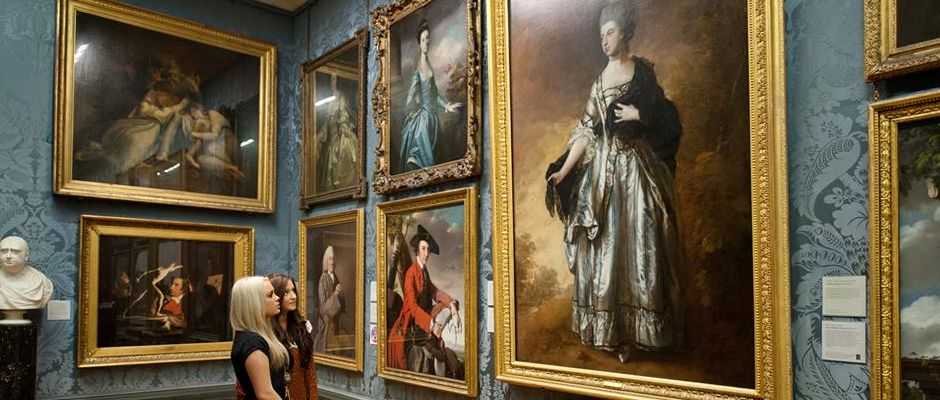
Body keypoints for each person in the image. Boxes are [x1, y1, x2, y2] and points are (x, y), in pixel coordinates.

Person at [545, 1, 683, 362]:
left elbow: (665, 115)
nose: (604, 40)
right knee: (605, 245)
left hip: (637, 169)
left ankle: (639, 335)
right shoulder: (598, 82)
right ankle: (614, 332)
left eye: (610, 33)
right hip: (603, 176)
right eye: (601, 34)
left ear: (624, 34)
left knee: (641, 240)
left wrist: (641, 113)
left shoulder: (642, 73)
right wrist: (564, 169)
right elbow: (587, 132)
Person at [387, 225, 462, 377]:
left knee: (452, 303)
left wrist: (452, 306)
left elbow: (434, 291)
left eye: (428, 249)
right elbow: (413, 307)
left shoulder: (424, 270)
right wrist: (431, 324)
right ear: (417, 250)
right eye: (423, 249)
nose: (426, 253)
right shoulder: (411, 273)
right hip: (413, 321)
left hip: (426, 315)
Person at [398, 19, 463, 172]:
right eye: (423, 39)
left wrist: (447, 105)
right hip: (423, 123)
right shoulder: (417, 72)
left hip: (433, 120)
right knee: (425, 164)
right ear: (419, 44)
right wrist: (413, 110)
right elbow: (410, 98)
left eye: (428, 39)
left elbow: (435, 95)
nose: (426, 42)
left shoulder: (430, 68)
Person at [230, 276, 290, 400]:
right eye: (270, 295)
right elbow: (265, 394)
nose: (277, 297)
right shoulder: (252, 343)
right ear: (254, 303)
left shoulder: (256, 336)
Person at [268, 273, 318, 400]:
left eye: (294, 291)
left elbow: (310, 372)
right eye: (286, 292)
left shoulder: (303, 326)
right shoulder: (265, 331)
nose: (294, 296)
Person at [316, 74, 360, 192]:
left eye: (334, 79)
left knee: (340, 163)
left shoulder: (341, 98)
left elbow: (344, 117)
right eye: (330, 79)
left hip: (340, 139)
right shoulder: (330, 100)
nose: (332, 82)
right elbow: (327, 121)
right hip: (330, 141)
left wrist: (344, 128)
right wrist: (321, 135)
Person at [0, 236, 53, 310]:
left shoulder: (40, 281)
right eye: (4, 251)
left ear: (26, 255)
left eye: (15, 252)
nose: (8, 256)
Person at [313, 245, 345, 353]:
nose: (332, 262)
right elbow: (324, 308)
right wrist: (336, 293)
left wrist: (340, 294)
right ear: (326, 261)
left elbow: (341, 304)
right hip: (326, 324)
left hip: (335, 323)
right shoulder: (323, 278)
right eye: (329, 259)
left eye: (333, 259)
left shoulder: (335, 277)